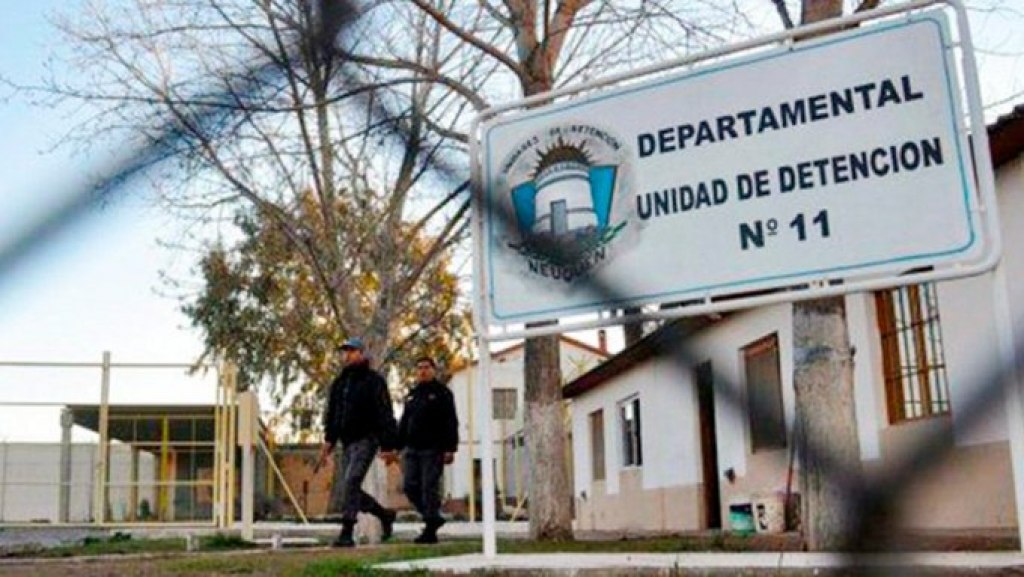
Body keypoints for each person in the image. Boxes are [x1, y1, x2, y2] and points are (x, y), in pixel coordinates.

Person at [319, 337, 399, 548]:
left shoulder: (374, 381)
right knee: (349, 486)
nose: (347, 355)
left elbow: (384, 412)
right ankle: (384, 514)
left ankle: (346, 531)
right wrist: (329, 440)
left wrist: (388, 445)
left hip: (367, 439)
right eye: (345, 352)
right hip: (346, 442)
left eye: (352, 351)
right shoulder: (340, 383)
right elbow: (333, 414)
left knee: (352, 481)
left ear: (362, 354)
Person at [397, 356, 459, 544]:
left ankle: (430, 530)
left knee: (428, 487)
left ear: (433, 370)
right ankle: (432, 517)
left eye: (426, 367)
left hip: (433, 449)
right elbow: (405, 422)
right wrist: (395, 445)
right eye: (419, 368)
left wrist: (450, 448)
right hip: (412, 449)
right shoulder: (412, 394)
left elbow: (451, 421)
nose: (422, 371)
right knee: (409, 486)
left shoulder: (442, 393)